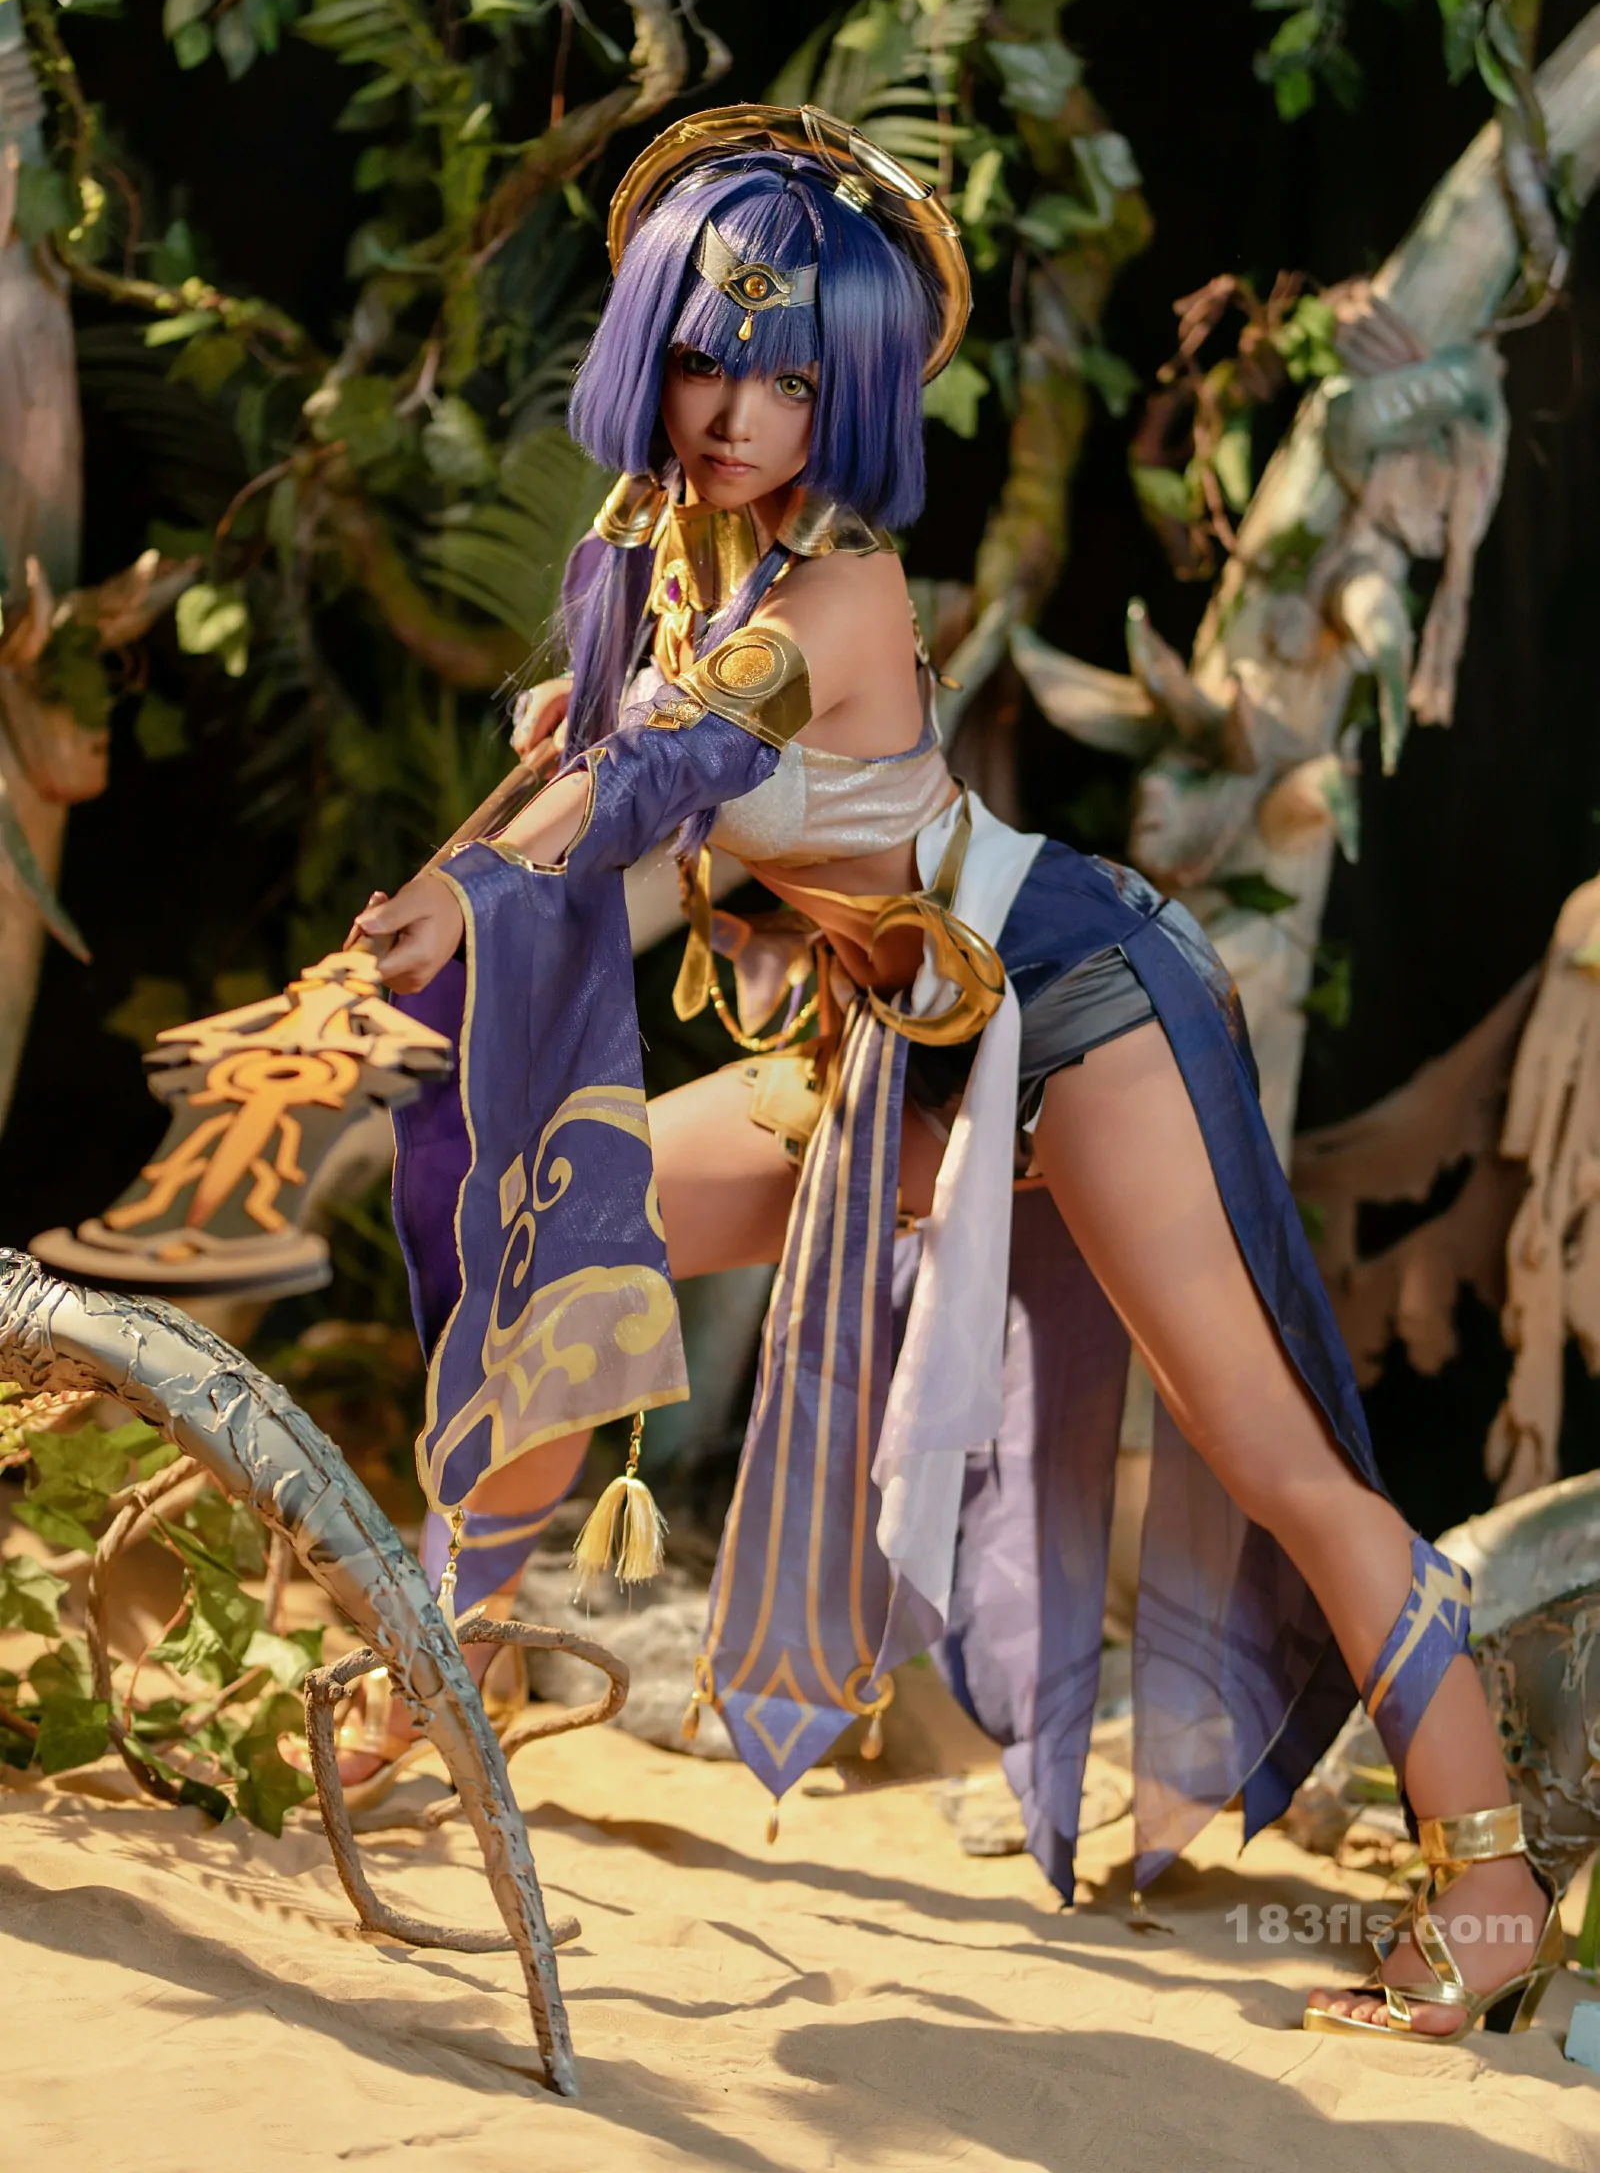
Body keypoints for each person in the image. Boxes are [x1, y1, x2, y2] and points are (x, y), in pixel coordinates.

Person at [352, 106, 1560, 2046]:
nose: (738, 410)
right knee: (573, 1247)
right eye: (709, 356)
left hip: (1064, 1009)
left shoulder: (839, 599)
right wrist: (419, 923)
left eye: (790, 377)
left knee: (1263, 1450)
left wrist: (473, 896)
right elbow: (582, 796)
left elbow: (654, 776)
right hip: (871, 1054)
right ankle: (427, 1688)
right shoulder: (652, 561)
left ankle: (1492, 1897)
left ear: (850, 397)